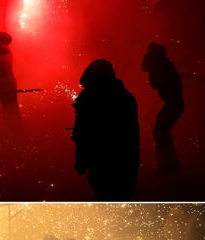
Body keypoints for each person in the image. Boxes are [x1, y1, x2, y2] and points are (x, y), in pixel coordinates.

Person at [71, 59, 139, 201]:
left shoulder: (89, 98)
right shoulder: (125, 96)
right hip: (123, 162)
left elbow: (82, 133)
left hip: (105, 162)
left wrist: (81, 160)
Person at [142, 42, 184, 175]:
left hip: (173, 104)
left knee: (160, 131)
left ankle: (167, 165)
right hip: (174, 104)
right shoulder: (163, 64)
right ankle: (171, 164)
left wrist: (149, 63)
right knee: (161, 131)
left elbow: (155, 83)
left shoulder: (161, 65)